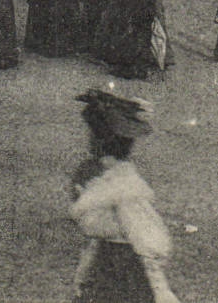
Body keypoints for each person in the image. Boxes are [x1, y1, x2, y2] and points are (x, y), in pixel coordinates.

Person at [68, 89, 181, 303]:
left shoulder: (124, 187)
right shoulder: (112, 179)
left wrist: (161, 291)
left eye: (94, 137)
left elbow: (147, 238)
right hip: (109, 263)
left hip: (125, 268)